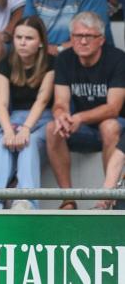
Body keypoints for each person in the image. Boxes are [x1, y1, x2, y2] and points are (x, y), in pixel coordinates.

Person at [46, 11, 125, 204]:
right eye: (77, 36)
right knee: (53, 129)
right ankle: (68, 199)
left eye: (88, 36)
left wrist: (79, 117)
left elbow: (113, 108)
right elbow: (60, 102)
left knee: (109, 126)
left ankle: (108, 197)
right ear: (71, 38)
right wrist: (62, 115)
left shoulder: (117, 59)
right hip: (82, 126)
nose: (82, 41)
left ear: (101, 39)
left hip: (115, 126)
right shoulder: (64, 59)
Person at [0, 16, 55, 209]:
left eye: (29, 38)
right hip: (14, 118)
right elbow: (1, 104)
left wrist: (26, 129)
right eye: (18, 37)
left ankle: (26, 201)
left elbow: (42, 101)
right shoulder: (5, 64)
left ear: (41, 41)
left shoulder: (51, 63)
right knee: (4, 143)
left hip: (42, 119)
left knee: (28, 143)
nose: (22, 42)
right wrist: (8, 131)